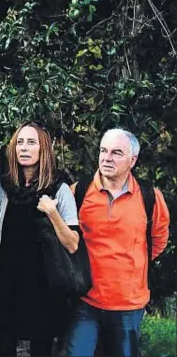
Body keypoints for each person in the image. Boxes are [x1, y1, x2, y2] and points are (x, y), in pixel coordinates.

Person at [62, 128, 170, 357]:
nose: (107, 158)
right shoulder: (79, 192)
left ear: (132, 160)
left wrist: (133, 264)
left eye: (116, 152)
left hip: (128, 306)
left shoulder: (150, 197)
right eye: (103, 150)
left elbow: (159, 239)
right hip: (85, 301)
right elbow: (64, 238)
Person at [0, 122, 80, 357]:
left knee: (41, 347)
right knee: (4, 346)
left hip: (43, 287)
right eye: (20, 143)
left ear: (43, 149)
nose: (24, 148)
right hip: (7, 285)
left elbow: (73, 243)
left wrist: (52, 212)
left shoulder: (59, 189)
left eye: (31, 142)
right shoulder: (2, 190)